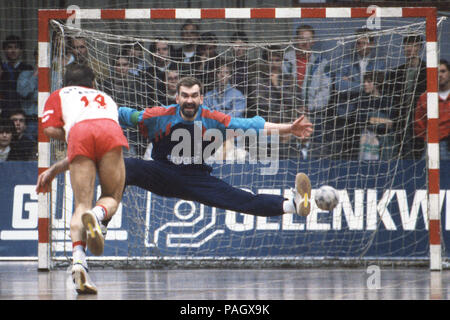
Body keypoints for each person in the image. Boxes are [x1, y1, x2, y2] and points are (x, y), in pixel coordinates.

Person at [37, 77, 315, 248]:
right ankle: (98, 219)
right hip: (161, 172)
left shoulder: (215, 119)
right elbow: (115, 112)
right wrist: (84, 104)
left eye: (194, 96)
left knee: (241, 200)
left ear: (201, 98)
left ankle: (292, 205)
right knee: (127, 166)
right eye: (185, 95)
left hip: (198, 179)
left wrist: (288, 128)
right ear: (177, 97)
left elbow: (252, 125)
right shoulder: (157, 115)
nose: (189, 100)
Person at [39, 63, 129, 294]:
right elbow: (101, 129)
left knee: (80, 205)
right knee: (111, 196)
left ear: (67, 82)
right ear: (93, 82)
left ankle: (79, 260)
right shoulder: (106, 97)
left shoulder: (59, 94)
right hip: (109, 129)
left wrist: (71, 134)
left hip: (79, 133)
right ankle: (98, 215)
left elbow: (48, 129)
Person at [388, 35, 427, 159]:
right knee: (400, 155)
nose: (409, 48)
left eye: (413, 45)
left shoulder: (429, 71)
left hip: (421, 119)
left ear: (419, 48)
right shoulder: (396, 73)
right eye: (407, 45)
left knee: (418, 154)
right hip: (401, 119)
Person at [415, 60, 450, 160]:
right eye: (436, 72)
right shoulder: (425, 97)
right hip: (432, 144)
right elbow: (419, 124)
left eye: (443, 71)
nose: (440, 75)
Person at [0, 35, 33, 117]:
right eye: (10, 47)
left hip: (24, 111)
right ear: (4, 50)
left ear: (21, 50)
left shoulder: (28, 69)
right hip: (5, 110)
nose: (13, 51)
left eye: (16, 47)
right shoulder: (2, 69)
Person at [16, 48, 38, 140]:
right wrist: (35, 75)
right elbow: (23, 92)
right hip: (30, 121)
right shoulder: (25, 75)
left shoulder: (56, 76)